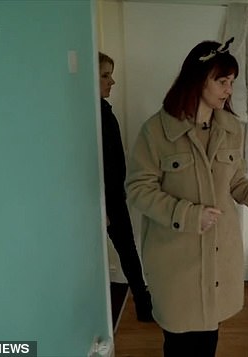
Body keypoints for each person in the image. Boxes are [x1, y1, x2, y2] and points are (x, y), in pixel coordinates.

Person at [125, 39, 248, 356]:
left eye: (231, 82)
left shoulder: (231, 128)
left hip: (219, 252)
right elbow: (139, 190)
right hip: (176, 258)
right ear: (197, 79)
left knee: (209, 337)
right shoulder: (155, 132)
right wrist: (190, 214)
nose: (228, 89)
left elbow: (235, 181)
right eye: (221, 81)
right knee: (179, 340)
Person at [98, 52, 153, 322]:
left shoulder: (103, 111)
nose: (113, 81)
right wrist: (103, 207)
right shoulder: (92, 116)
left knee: (129, 252)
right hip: (105, 200)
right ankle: (143, 305)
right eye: (105, 75)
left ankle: (143, 304)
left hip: (113, 197)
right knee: (127, 252)